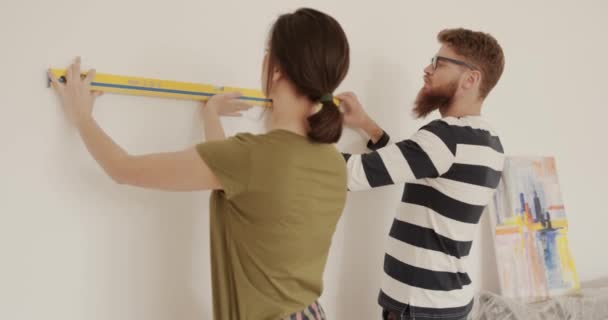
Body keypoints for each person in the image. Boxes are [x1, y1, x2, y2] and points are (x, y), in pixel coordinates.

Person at [48, 7, 350, 320]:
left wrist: (81, 117)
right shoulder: (332, 161)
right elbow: (234, 177)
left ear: (275, 71)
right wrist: (210, 115)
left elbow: (122, 168)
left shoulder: (251, 157)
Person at [337, 28, 506, 320]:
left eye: (439, 63)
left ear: (471, 78)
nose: (427, 70)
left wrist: (292, 128)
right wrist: (367, 125)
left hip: (417, 307)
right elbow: (411, 165)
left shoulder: (445, 138)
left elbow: (351, 174)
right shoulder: (487, 140)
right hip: (446, 304)